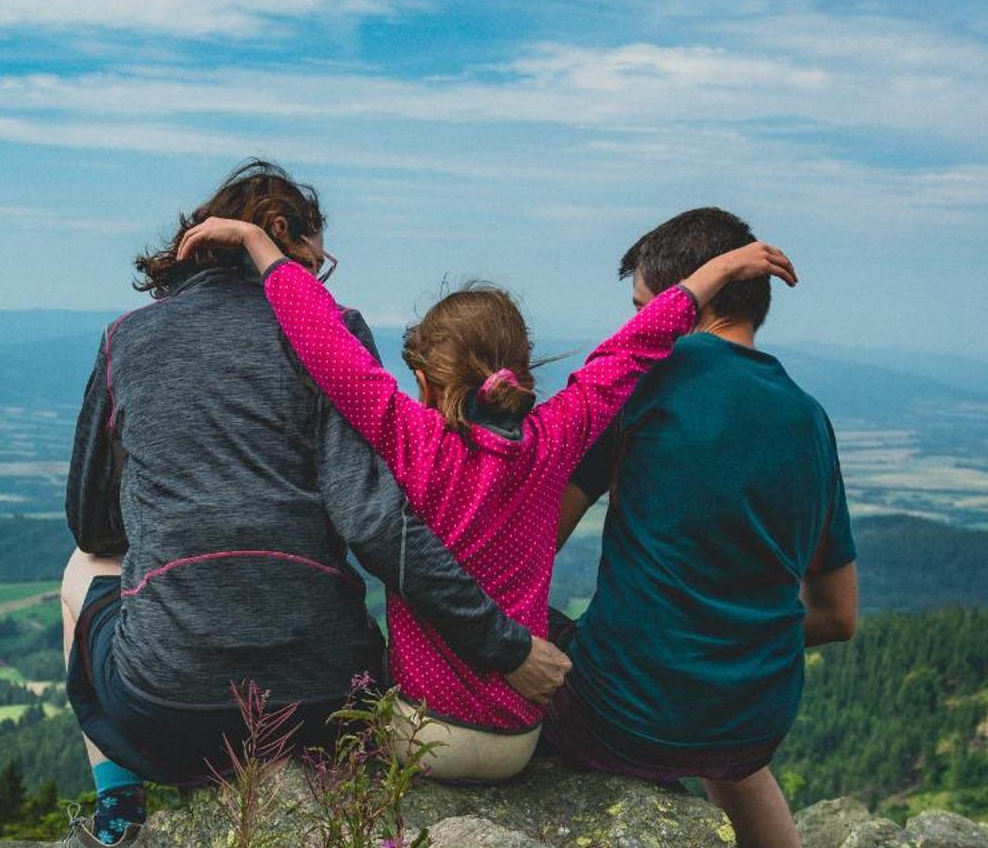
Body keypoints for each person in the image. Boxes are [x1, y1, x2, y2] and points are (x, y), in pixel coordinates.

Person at [11, 161, 570, 848]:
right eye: (317, 255)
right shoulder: (332, 335)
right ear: (281, 236)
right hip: (328, 704)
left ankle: (116, 829)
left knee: (84, 568)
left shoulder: (128, 341)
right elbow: (375, 521)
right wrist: (502, 645)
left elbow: (93, 523)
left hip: (166, 707)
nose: (322, 274)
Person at [175, 216, 794, 782]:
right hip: (517, 739)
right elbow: (627, 352)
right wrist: (712, 276)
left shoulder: (411, 438)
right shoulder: (554, 439)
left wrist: (261, 246)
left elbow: (325, 345)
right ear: (521, 369)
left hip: (427, 736)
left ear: (423, 380)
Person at [551, 207, 857, 848]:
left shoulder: (646, 376)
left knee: (500, 625)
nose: (632, 326)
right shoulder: (810, 419)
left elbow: (534, 541)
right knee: (718, 726)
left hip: (618, 717)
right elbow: (838, 615)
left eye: (641, 308)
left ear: (677, 302)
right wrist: (730, 621)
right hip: (751, 725)